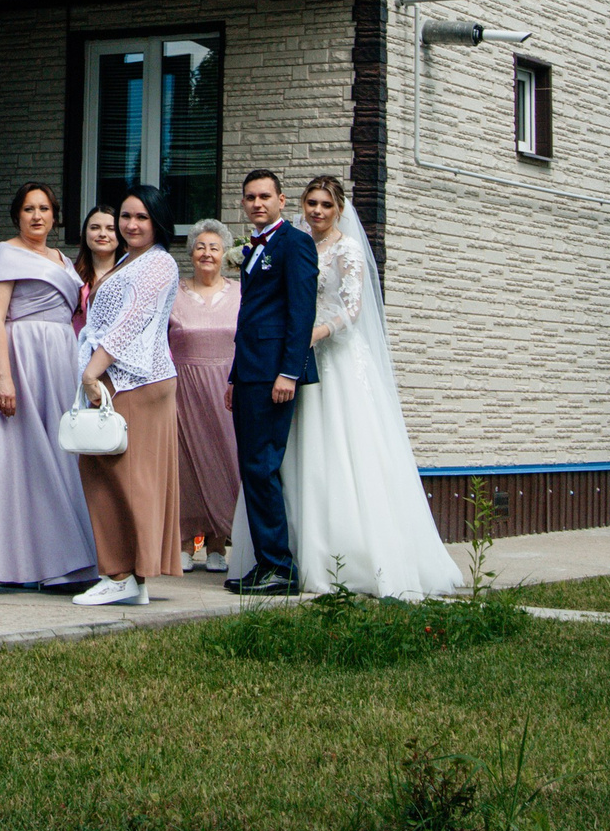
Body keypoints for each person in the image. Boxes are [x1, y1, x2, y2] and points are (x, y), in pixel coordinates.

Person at [270, 176, 466, 600]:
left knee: (342, 446)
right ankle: (297, 552)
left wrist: (315, 333)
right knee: (300, 448)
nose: (317, 211)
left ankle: (350, 553)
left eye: (325, 204)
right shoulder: (295, 242)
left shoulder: (347, 249)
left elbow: (354, 309)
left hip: (336, 357)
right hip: (297, 358)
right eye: (311, 203)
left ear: (339, 209)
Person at [0, 182, 99, 590]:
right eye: (28, 208)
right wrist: (5, 377)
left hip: (61, 355)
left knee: (63, 452)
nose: (37, 216)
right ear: (17, 215)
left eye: (44, 208)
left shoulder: (64, 259)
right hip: (22, 356)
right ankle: (21, 564)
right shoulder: (4, 254)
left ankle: (69, 557)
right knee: (24, 455)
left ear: (54, 214)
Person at [71, 186, 183, 607]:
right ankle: (126, 575)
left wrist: (91, 372)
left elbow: (131, 321)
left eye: (141, 218)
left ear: (158, 223)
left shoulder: (159, 264)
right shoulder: (129, 261)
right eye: (126, 217)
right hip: (119, 377)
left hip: (137, 379)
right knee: (107, 473)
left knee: (124, 477)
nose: (131, 225)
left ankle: (123, 574)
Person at [228, 169, 318, 597]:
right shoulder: (253, 246)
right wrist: (234, 375)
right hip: (249, 370)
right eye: (250, 197)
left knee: (263, 467)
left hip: (274, 373)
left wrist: (289, 371)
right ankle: (266, 563)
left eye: (265, 196)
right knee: (252, 467)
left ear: (283, 200)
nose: (257, 203)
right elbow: (249, 318)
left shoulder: (295, 244)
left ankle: (279, 567)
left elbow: (301, 315)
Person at [169, 218, 241, 574]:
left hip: (228, 388)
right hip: (182, 388)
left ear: (224, 252)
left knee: (225, 461)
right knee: (184, 466)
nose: (207, 253)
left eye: (214, 247)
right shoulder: (174, 291)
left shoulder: (241, 292)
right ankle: (183, 542)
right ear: (191, 253)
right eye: (200, 246)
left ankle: (218, 544)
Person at [71, 205, 121, 331]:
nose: (102, 234)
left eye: (111, 229)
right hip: (77, 347)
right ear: (84, 233)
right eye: (95, 228)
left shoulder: (130, 274)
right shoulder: (71, 274)